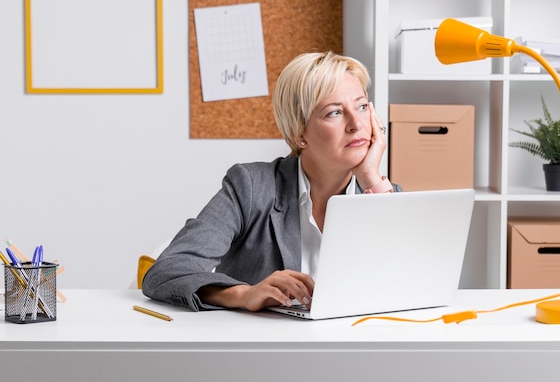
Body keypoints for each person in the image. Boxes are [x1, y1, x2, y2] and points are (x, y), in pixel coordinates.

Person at [142, 51, 402, 312]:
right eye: (334, 112)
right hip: (261, 347)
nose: (356, 124)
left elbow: (412, 277)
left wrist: (370, 177)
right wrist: (244, 294)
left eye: (362, 106)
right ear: (299, 132)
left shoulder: (385, 195)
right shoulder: (251, 187)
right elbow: (166, 271)